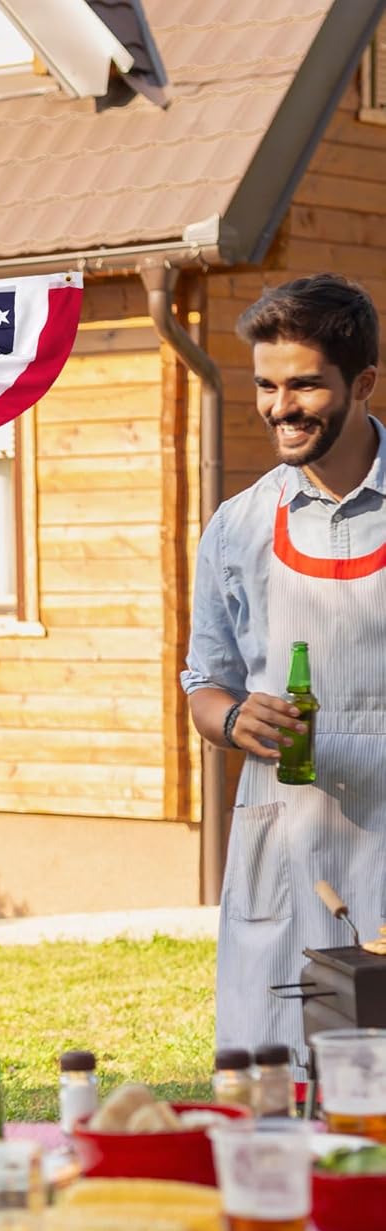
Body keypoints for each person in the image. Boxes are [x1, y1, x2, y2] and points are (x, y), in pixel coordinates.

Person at [183, 273, 386, 1060]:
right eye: (267, 385)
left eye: (304, 384)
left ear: (363, 381)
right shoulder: (237, 527)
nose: (279, 407)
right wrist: (233, 719)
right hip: (283, 837)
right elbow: (204, 681)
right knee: (276, 1077)